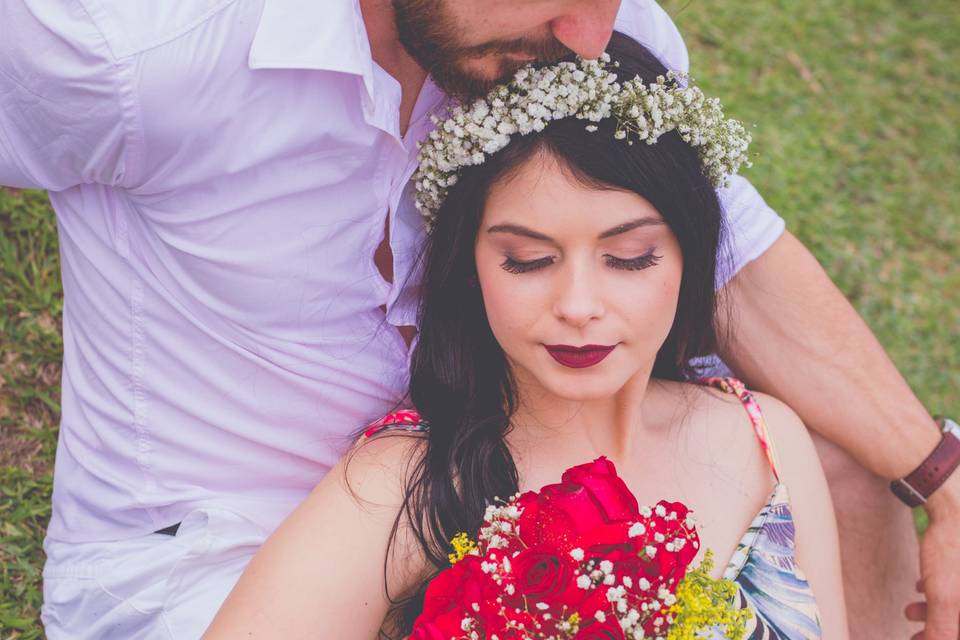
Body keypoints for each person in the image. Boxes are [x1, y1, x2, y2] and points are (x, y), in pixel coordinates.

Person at [0, 0, 955, 638]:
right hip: (210, 549)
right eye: (528, 258)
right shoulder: (121, 53)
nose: (588, 35)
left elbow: (721, 244)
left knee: (837, 475)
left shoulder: (580, 32)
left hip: (510, 461)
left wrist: (940, 477)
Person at [204, 35, 850, 639]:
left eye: (628, 257)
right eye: (527, 261)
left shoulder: (766, 441)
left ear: (690, 257)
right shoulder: (410, 481)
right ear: (469, 270)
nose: (576, 306)